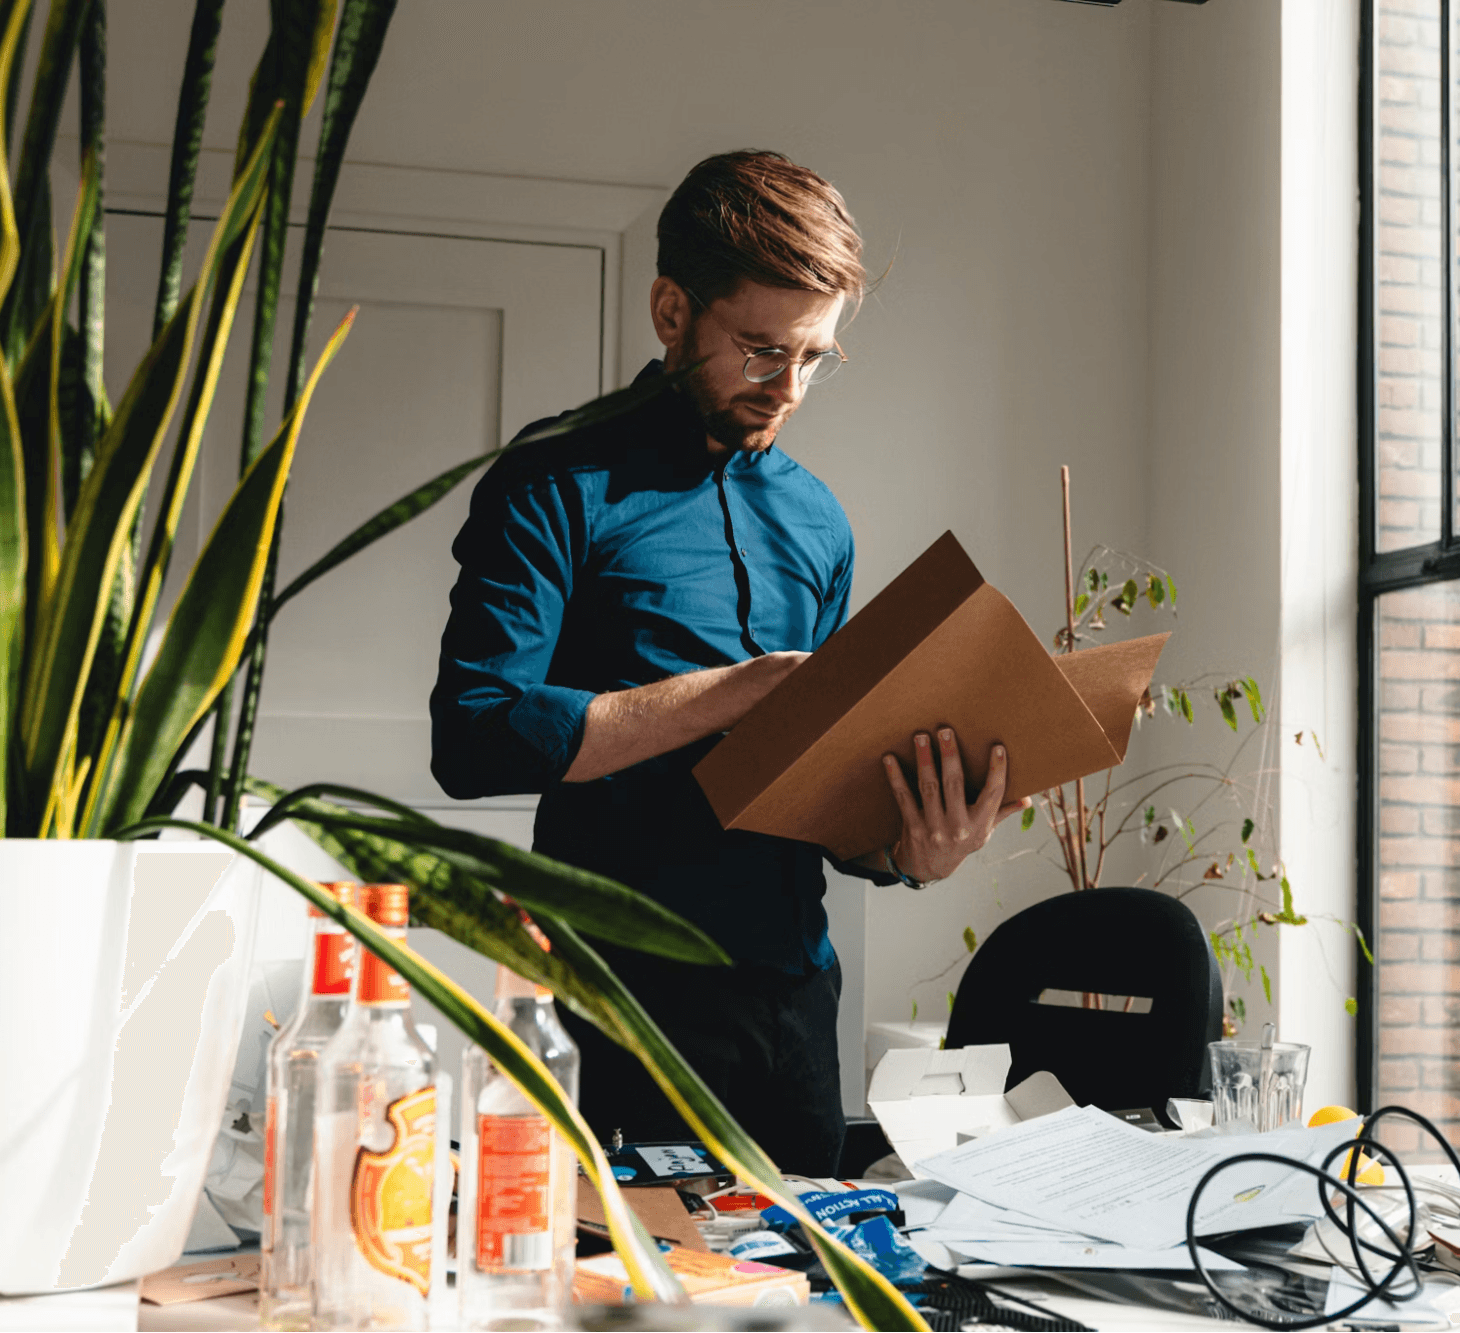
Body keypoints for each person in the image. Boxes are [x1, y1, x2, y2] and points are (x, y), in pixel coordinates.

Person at [430, 150, 1020, 1175]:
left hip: (794, 1012)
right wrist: (731, 695)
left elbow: (822, 798)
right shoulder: (553, 481)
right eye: (758, 350)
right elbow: (473, 733)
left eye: (814, 357)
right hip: (617, 1005)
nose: (786, 387)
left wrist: (909, 852)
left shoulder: (818, 520)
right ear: (671, 311)